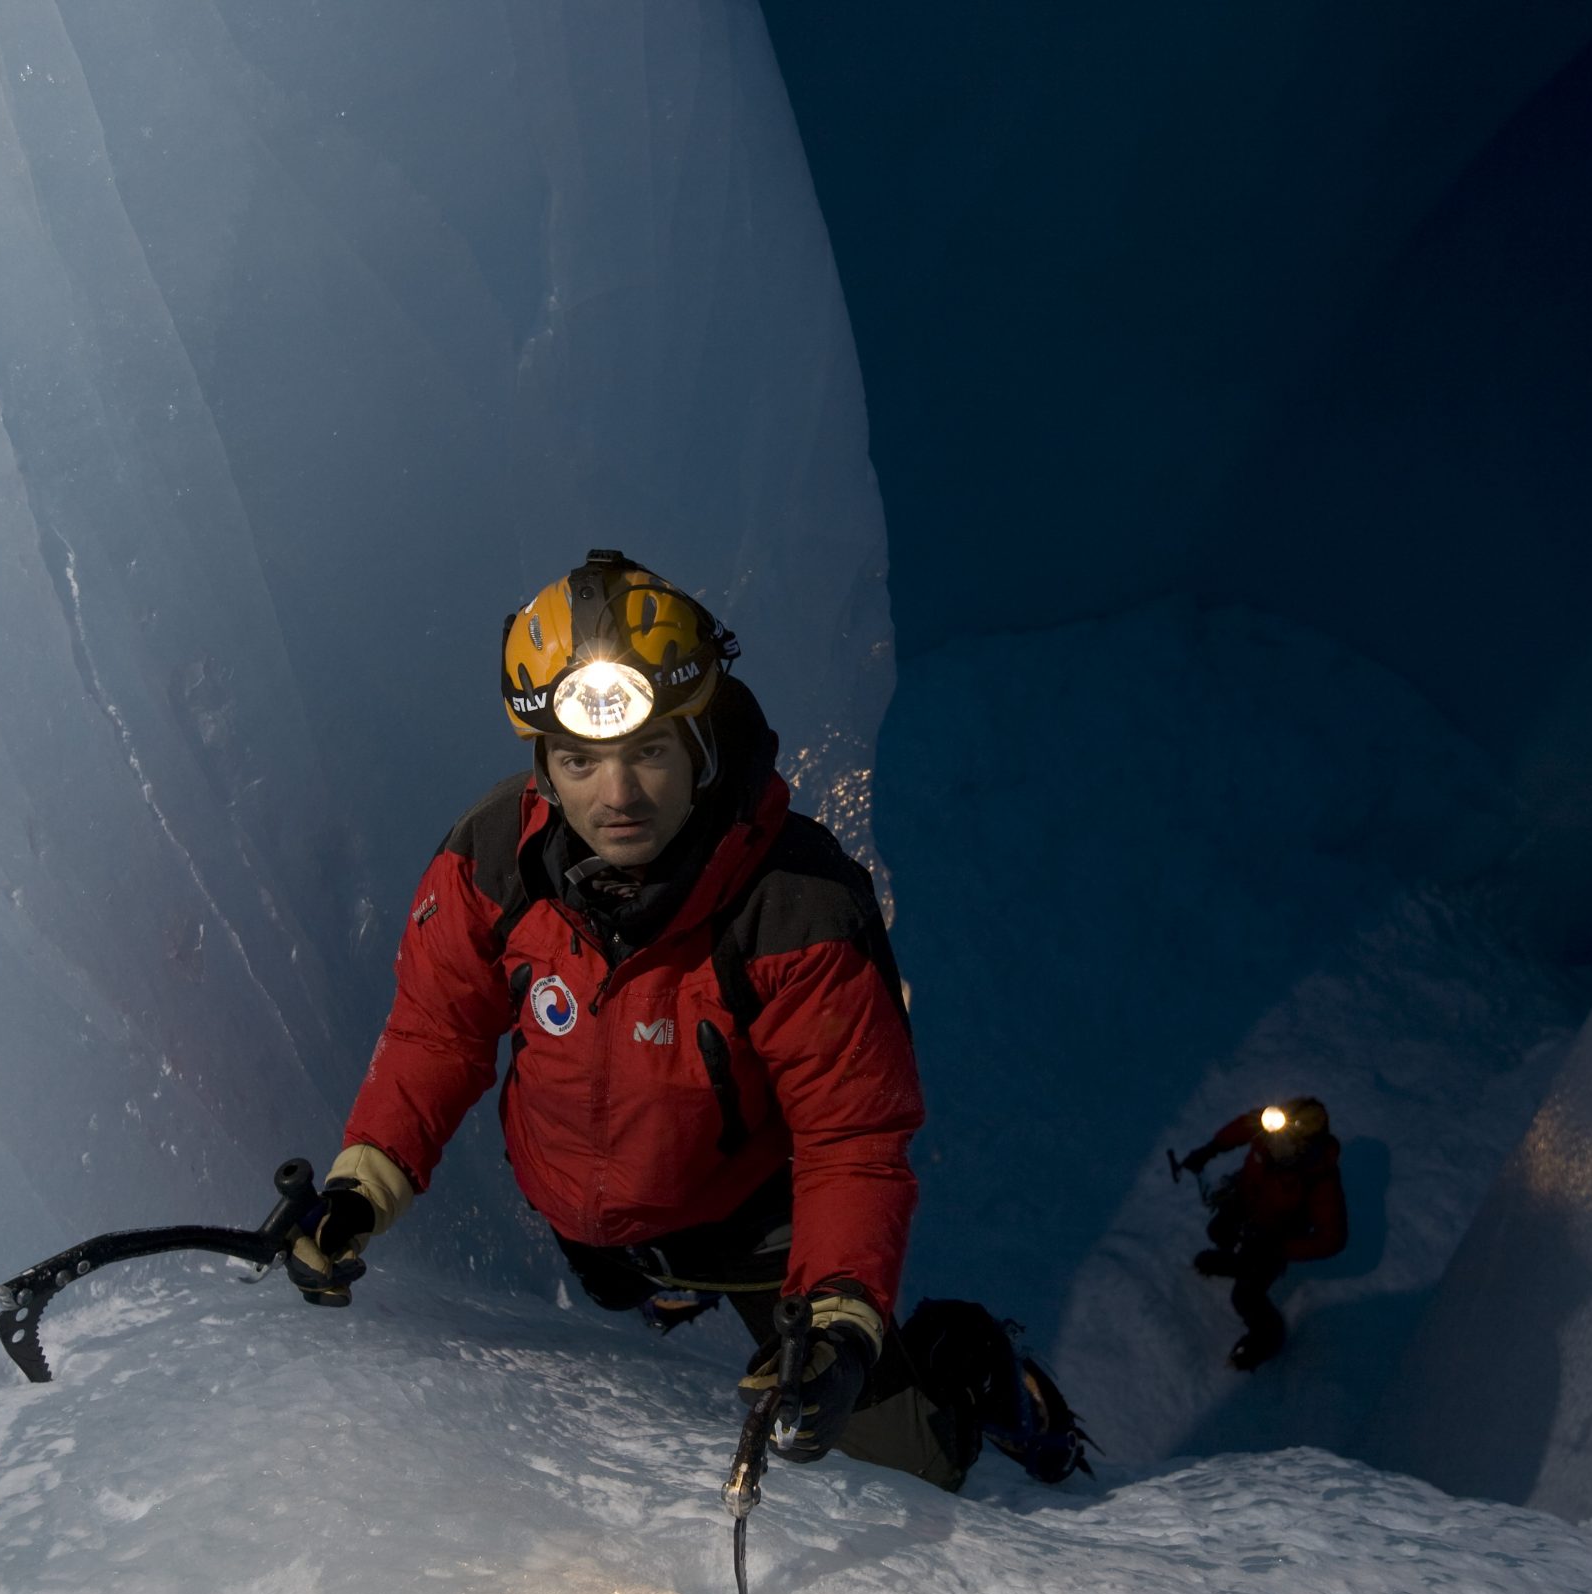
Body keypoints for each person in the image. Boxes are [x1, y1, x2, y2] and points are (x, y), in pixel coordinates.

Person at [286, 549, 1088, 1489]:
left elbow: (852, 1136)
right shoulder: (495, 860)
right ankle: (658, 1290)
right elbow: (439, 1033)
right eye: (580, 760)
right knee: (627, 1297)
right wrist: (361, 1185)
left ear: (701, 743)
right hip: (591, 1222)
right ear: (544, 760)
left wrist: (839, 1319)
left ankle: (966, 1360)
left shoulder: (796, 906)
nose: (615, 796)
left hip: (755, 1228)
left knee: (906, 1461)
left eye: (649, 752)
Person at [1178, 1097, 1348, 1370]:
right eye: (1272, 1135)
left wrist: (1282, 1248)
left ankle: (1267, 1337)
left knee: (1246, 1296)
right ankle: (1238, 1261)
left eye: (1284, 1142)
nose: (1271, 1144)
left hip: (1276, 1236)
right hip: (1248, 1203)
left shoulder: (1320, 1181)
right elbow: (1242, 1128)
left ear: (1303, 1146)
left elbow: (1333, 1239)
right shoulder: (1272, 1131)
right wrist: (1209, 1150)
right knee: (1220, 1231)